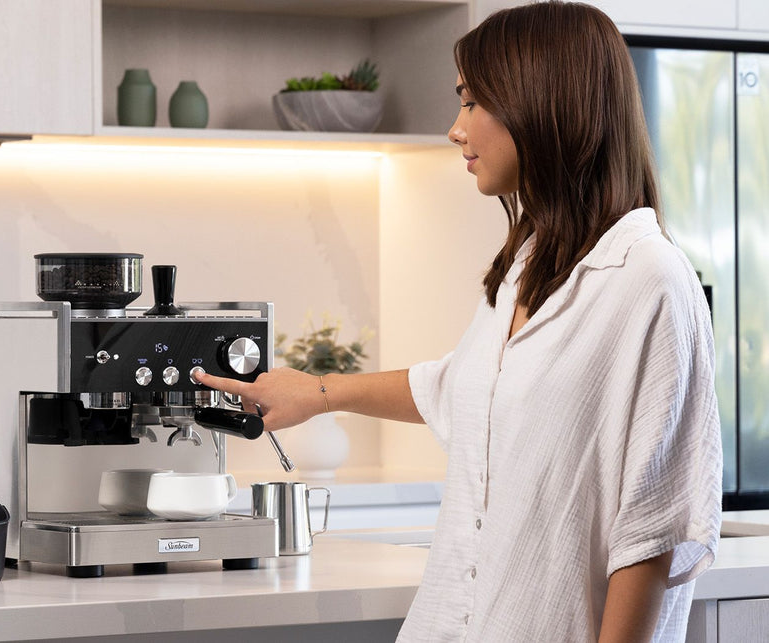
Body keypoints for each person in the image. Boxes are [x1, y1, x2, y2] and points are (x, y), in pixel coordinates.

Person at [195, 2, 722, 641]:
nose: (454, 128)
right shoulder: (528, 262)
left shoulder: (651, 283)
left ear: (542, 105)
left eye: (472, 103)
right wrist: (316, 392)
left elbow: (651, 533)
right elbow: (462, 387)